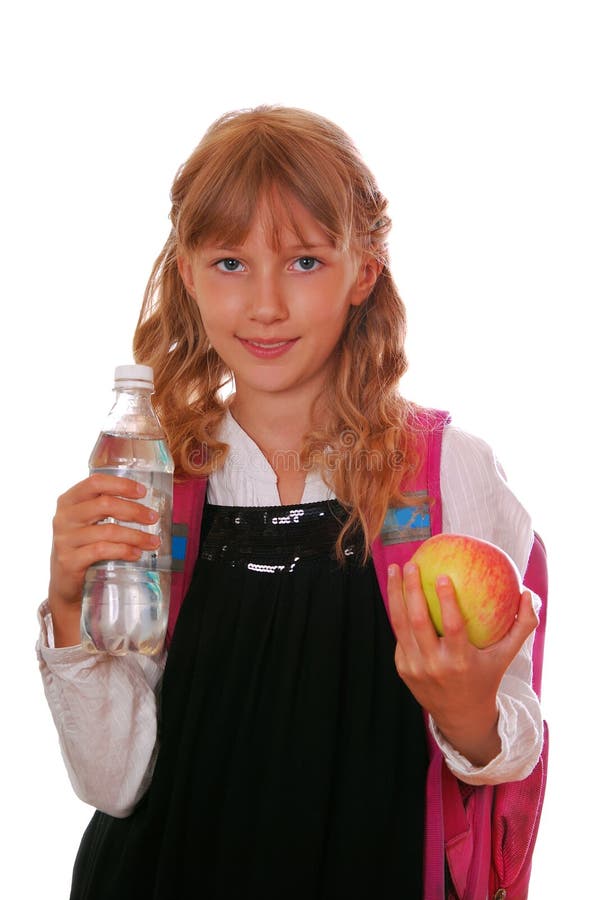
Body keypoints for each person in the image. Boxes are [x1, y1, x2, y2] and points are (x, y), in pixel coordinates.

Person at [38, 106, 543, 899]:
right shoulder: (156, 481)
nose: (265, 305)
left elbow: (508, 753)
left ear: (363, 271)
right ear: (187, 275)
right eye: (230, 263)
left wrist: (470, 710)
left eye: (305, 262)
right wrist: (70, 607)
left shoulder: (443, 476)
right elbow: (112, 784)